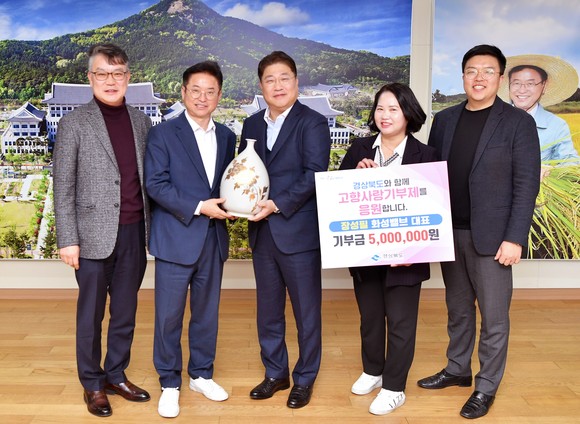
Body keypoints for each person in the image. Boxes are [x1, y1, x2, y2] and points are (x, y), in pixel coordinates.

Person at [416, 45, 541, 419]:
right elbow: (427, 173)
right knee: (457, 310)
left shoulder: (517, 122)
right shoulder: (445, 119)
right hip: (450, 232)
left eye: (488, 71)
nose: (479, 77)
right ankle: (457, 369)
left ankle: (486, 387)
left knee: (494, 317)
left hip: (494, 238)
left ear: (500, 78)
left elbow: (526, 184)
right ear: (463, 76)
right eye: (472, 70)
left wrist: (515, 238)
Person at [53, 43, 152, 418]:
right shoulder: (74, 123)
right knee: (90, 315)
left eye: (118, 73)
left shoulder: (142, 122)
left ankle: (116, 375)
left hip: (133, 232)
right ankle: (92, 384)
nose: (111, 80)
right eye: (102, 73)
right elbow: (63, 186)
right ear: (90, 77)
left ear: (128, 77)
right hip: (91, 235)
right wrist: (68, 239)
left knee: (125, 311)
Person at [239, 51, 331, 409]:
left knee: (306, 312)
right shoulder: (251, 124)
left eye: (284, 78)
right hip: (262, 232)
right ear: (261, 86)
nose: (277, 86)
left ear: (296, 82)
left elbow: (314, 173)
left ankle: (304, 378)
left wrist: (276, 204)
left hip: (298, 231)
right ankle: (275, 372)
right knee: (268, 309)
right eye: (270, 80)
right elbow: (245, 172)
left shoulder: (313, 122)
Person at [144, 61, 236, 418]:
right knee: (168, 317)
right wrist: (199, 207)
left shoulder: (227, 136)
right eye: (195, 90)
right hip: (175, 238)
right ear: (183, 93)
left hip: (212, 240)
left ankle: (201, 374)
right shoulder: (163, 134)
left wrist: (236, 204)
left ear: (219, 96)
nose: (202, 97)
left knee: (206, 315)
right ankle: (169, 382)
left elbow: (228, 184)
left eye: (210, 91)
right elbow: (156, 184)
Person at [339, 83, 437, 415]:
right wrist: (354, 176)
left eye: (394, 109)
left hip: (407, 258)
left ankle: (394, 387)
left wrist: (414, 251)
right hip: (366, 254)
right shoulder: (359, 148)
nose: (385, 115)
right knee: (369, 317)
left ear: (408, 114)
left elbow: (435, 208)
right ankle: (373, 370)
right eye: (380, 108)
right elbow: (337, 196)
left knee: (400, 322)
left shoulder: (427, 155)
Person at [499, 54, 579, 167]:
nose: (522, 90)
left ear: (544, 86)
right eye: (516, 83)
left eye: (530, 83)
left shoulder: (557, 125)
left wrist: (547, 170)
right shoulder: (494, 120)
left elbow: (571, 163)